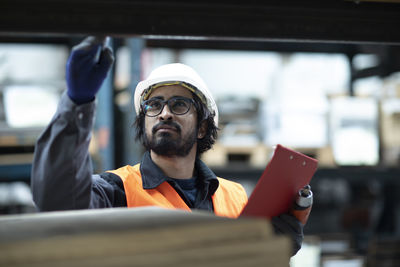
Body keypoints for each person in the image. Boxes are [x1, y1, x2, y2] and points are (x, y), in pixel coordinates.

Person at [31, 36, 304, 255]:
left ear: (203, 127)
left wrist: (273, 251)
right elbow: (58, 201)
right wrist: (77, 103)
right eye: (154, 104)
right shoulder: (116, 192)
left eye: (179, 104)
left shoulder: (235, 197)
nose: (164, 113)